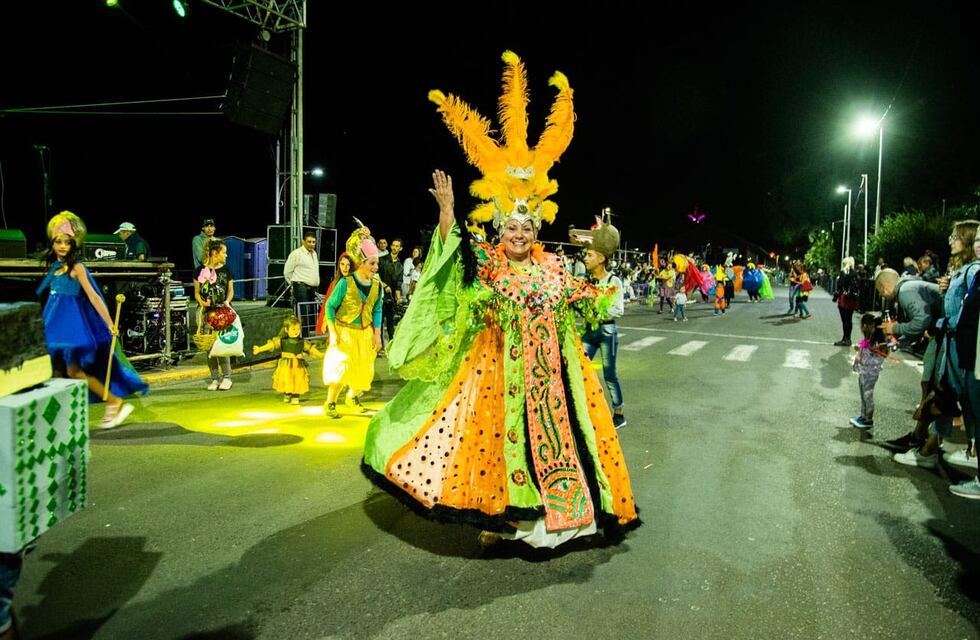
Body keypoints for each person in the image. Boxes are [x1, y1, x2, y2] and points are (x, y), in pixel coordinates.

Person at [362, 52, 638, 549]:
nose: (518, 234)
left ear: (536, 229)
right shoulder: (488, 263)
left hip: (551, 384)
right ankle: (499, 514)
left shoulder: (553, 268)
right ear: (499, 228)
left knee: (552, 442)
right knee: (493, 446)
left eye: (526, 228)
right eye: (511, 227)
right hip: (497, 379)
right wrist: (448, 215)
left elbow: (583, 300)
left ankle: (558, 512)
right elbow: (455, 268)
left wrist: (602, 289)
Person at [36, 211, 146, 428]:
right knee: (56, 371)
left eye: (67, 242)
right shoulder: (55, 268)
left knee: (73, 371)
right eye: (58, 242)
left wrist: (109, 323)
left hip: (70, 330)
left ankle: (114, 401)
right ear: (52, 243)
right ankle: (58, 415)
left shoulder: (77, 268)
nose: (62, 246)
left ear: (74, 244)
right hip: (55, 328)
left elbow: (94, 297)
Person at [890, 221, 980, 468]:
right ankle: (936, 447)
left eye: (955, 237)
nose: (951, 240)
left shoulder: (973, 270)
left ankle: (937, 450)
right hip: (951, 339)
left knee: (960, 398)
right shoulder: (963, 270)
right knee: (948, 395)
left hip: (960, 342)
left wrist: (945, 321)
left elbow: (968, 311)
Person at [321, 227, 383, 418]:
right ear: (361, 264)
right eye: (372, 263)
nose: (375, 267)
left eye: (377, 263)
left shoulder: (377, 285)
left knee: (363, 369)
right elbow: (330, 306)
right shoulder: (345, 283)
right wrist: (333, 332)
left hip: (364, 333)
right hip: (344, 332)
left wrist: (377, 334)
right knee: (340, 368)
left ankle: (352, 397)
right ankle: (330, 402)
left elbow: (377, 309)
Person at [580, 221, 627, 428]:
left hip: (607, 331)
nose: (585, 258)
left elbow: (619, 310)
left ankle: (619, 413)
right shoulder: (586, 281)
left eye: (589, 255)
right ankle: (582, 408)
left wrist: (597, 311)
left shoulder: (613, 281)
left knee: (609, 375)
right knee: (579, 367)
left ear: (601, 259)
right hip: (589, 331)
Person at [194, 238, 235, 391]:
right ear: (215, 253)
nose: (226, 255)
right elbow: (196, 293)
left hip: (222, 313)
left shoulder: (226, 270)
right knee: (209, 347)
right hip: (206, 313)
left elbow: (230, 291)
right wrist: (202, 302)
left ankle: (227, 377)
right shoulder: (199, 270)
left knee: (222, 345)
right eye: (224, 252)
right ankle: (214, 378)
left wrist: (227, 302)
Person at [252, 315, 323, 405]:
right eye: (293, 329)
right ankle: (287, 393)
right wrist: (259, 349)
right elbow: (271, 345)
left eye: (298, 329)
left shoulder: (302, 341)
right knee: (286, 379)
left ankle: (295, 396)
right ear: (286, 330)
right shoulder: (282, 341)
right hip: (286, 364)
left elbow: (310, 349)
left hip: (298, 365)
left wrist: (320, 354)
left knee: (298, 379)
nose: (296, 331)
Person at [849, 313, 890, 429]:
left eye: (864, 325)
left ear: (869, 326)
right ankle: (863, 416)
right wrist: (859, 348)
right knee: (863, 394)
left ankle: (868, 419)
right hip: (864, 371)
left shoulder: (879, 342)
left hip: (870, 373)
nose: (862, 328)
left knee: (867, 395)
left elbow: (883, 354)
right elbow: (863, 344)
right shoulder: (869, 338)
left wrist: (875, 351)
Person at [378, 237, 404, 342]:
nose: (394, 247)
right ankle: (379, 345)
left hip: (391, 298)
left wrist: (398, 298)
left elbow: (398, 285)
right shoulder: (382, 260)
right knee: (379, 322)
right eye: (393, 245)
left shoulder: (400, 266)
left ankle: (391, 344)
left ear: (400, 249)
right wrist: (384, 285)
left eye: (397, 246)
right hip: (380, 295)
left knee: (390, 322)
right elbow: (375, 276)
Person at [284, 230, 320, 306]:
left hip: (312, 289)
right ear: (303, 242)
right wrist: (294, 285)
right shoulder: (296, 253)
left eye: (313, 242)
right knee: (303, 311)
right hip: (301, 288)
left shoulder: (314, 253)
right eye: (309, 242)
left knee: (310, 311)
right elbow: (287, 272)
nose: (311, 244)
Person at [832, 256, 860, 346]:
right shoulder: (855, 273)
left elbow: (840, 285)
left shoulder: (843, 272)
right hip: (851, 298)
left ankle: (845, 338)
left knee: (844, 320)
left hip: (844, 298)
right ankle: (848, 338)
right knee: (849, 319)